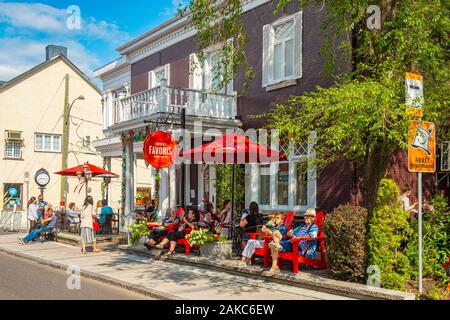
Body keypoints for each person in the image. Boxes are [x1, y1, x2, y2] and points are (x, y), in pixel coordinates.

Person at [265, 209, 319, 276]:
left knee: (274, 244)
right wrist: (289, 233)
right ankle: (274, 266)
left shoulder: (314, 227)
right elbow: (290, 232)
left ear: (312, 218)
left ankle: (274, 267)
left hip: (298, 247)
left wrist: (298, 238)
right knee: (274, 241)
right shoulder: (302, 226)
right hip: (291, 243)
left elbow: (313, 236)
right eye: (305, 216)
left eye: (307, 216)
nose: (305, 217)